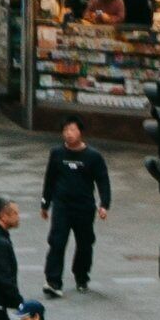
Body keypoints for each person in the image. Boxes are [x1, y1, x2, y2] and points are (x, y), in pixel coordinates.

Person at [40, 121, 111, 294]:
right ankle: (53, 281)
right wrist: (45, 203)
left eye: (72, 129)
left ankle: (81, 276)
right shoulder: (57, 153)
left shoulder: (93, 156)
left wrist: (104, 204)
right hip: (62, 206)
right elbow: (50, 179)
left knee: (85, 243)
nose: (68, 133)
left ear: (80, 132)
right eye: (65, 130)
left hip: (84, 207)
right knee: (57, 241)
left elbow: (103, 181)